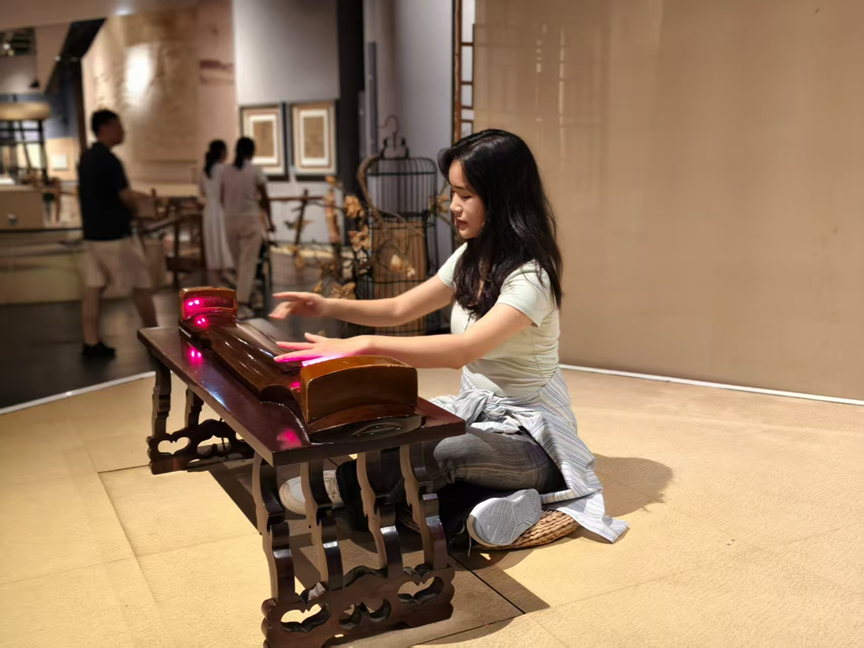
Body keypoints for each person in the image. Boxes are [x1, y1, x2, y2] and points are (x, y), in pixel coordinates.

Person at [269, 129, 628, 548]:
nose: (454, 206)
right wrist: (326, 306)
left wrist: (364, 344)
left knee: (440, 453)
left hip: (534, 441)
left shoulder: (531, 277)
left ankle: (340, 486)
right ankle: (485, 508)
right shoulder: (471, 257)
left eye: (466, 195)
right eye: (453, 192)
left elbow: (463, 350)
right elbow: (400, 308)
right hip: (476, 417)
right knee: (396, 426)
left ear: (503, 198)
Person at [78, 109, 157, 359]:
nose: (123, 131)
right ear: (105, 128)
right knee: (141, 284)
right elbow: (124, 195)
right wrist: (143, 203)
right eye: (119, 126)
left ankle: (90, 341)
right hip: (115, 236)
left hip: (93, 235)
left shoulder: (86, 157)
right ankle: (156, 339)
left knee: (94, 287)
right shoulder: (110, 160)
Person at [221, 137, 273, 319]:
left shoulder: (225, 171)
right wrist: (270, 221)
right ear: (253, 152)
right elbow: (265, 199)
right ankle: (242, 303)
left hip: (230, 220)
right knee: (247, 264)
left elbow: (221, 197)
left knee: (239, 264)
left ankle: (250, 296)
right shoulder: (255, 170)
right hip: (250, 219)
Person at [199, 140, 234, 281]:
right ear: (222, 152)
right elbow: (227, 190)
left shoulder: (204, 171)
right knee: (224, 240)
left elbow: (202, 191)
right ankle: (227, 271)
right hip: (221, 208)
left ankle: (216, 274)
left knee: (213, 241)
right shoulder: (224, 168)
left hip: (209, 209)